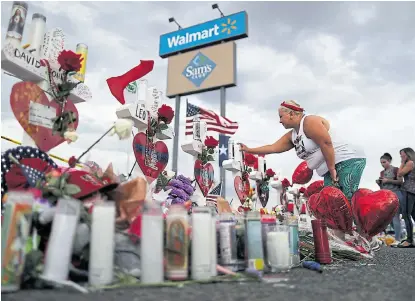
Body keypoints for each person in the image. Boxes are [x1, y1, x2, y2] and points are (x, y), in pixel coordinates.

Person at [239, 100, 369, 243]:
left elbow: (326, 143)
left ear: (292, 114)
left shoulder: (309, 122)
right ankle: (343, 236)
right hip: (331, 165)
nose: (279, 121)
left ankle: (360, 236)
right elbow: (273, 147)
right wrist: (249, 149)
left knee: (345, 196)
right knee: (331, 202)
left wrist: (332, 168)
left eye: (281, 116)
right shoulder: (293, 135)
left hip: (347, 158)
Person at [376, 153, 404, 246]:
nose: (382, 164)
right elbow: (382, 187)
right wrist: (379, 183)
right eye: (381, 163)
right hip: (386, 196)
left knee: (395, 217)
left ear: (389, 161)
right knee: (388, 218)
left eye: (384, 162)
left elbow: (401, 182)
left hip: (396, 194)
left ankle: (398, 239)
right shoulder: (382, 172)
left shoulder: (396, 170)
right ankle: (397, 236)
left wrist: (388, 180)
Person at [397, 147, 415, 248]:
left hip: (408, 191)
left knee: (406, 215)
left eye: (402, 154)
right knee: (413, 215)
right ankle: (411, 238)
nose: (401, 156)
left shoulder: (409, 163)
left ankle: (409, 240)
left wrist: (402, 162)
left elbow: (399, 174)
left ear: (407, 154)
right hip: (413, 191)